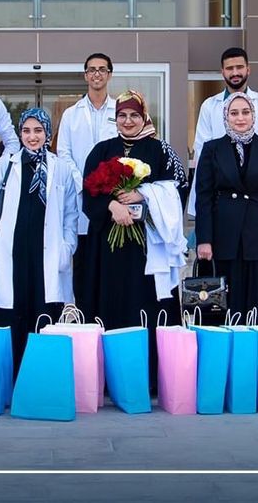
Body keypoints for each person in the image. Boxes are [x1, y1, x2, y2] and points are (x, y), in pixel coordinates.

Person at [75, 91, 187, 349]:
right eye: (122, 115)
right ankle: (110, 366)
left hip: (147, 247)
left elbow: (178, 188)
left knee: (145, 303)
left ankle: (150, 365)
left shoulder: (161, 150)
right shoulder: (101, 150)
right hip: (108, 248)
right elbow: (88, 193)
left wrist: (143, 194)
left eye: (134, 115)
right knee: (110, 302)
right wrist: (112, 205)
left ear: (144, 116)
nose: (128, 121)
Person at [0, 108, 78, 370]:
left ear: (47, 133)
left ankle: (41, 380)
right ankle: (12, 380)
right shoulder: (6, 164)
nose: (32, 137)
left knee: (44, 319)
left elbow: (71, 213)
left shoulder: (60, 168)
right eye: (26, 130)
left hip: (47, 256)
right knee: (13, 320)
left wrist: (67, 247)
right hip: (12, 254)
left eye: (38, 130)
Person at [193, 92, 258, 325]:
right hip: (223, 236)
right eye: (234, 113)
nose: (240, 118)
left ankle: (256, 347)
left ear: (254, 116)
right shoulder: (212, 149)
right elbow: (203, 197)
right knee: (223, 305)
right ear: (226, 117)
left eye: (245, 112)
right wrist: (203, 239)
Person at [56, 52, 119, 306]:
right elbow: (63, 153)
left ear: (109, 75)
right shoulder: (71, 114)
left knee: (109, 263)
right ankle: (84, 314)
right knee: (83, 265)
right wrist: (84, 182)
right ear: (85, 75)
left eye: (102, 69)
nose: (97, 74)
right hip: (81, 196)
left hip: (113, 199)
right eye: (92, 69)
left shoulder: (120, 111)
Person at [188, 47, 258, 213]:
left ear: (248, 69)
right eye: (230, 68)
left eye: (239, 67)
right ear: (222, 71)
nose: (235, 72)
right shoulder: (209, 106)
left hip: (256, 192)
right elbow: (202, 150)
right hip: (219, 192)